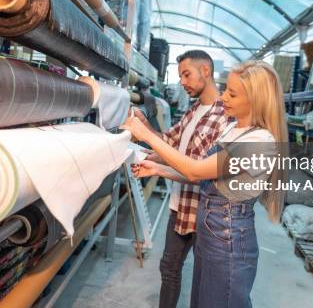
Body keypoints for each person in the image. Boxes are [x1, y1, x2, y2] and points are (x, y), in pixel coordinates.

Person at [122, 61, 288, 308]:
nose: (223, 98)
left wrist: (145, 135)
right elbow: (205, 178)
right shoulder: (233, 128)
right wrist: (158, 169)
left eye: (232, 93)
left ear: (256, 99)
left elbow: (194, 171)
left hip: (229, 237)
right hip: (211, 230)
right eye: (225, 90)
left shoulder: (260, 141)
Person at [131, 50, 229, 308]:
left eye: (187, 74)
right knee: (169, 268)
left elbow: (198, 172)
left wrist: (157, 167)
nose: (182, 82)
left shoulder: (223, 117)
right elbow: (169, 145)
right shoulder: (194, 110)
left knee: (203, 279)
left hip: (204, 211)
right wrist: (145, 126)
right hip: (180, 204)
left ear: (205, 71)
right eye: (180, 76)